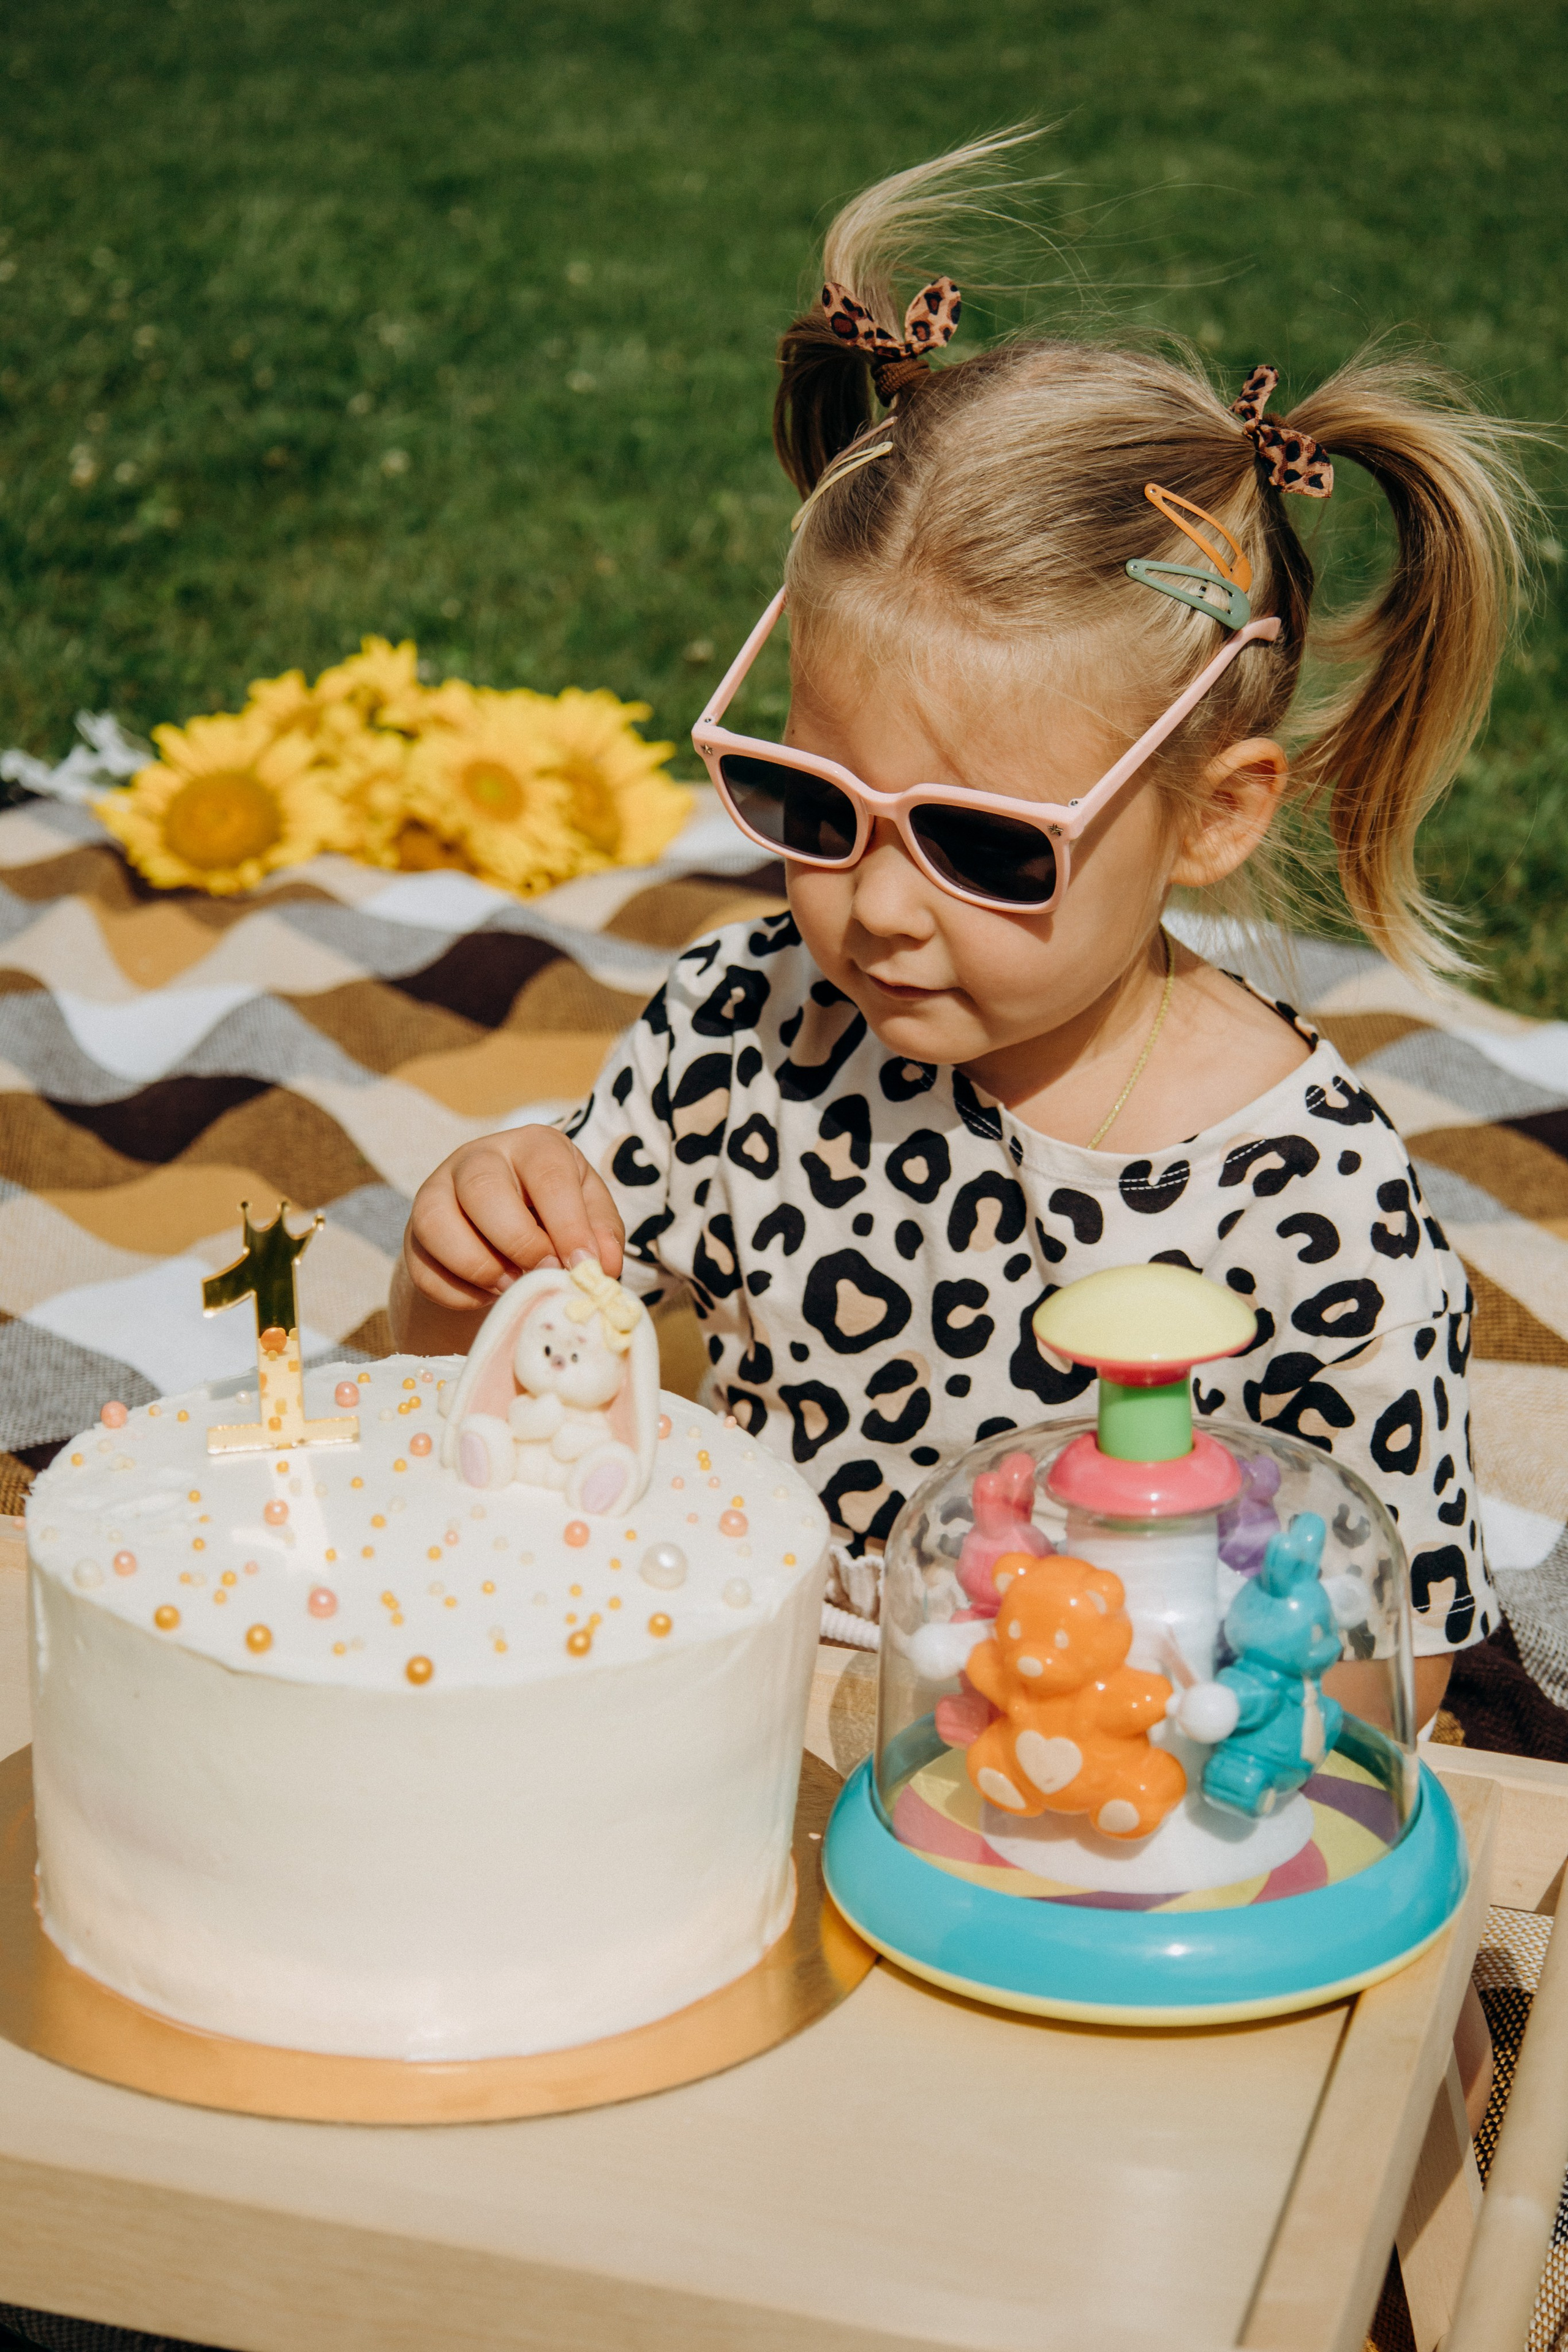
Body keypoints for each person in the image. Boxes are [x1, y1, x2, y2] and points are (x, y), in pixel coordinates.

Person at [393, 138, 1531, 2118]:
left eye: (988, 847)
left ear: (1215, 816)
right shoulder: (749, 1022)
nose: (878, 910)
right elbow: (506, 1395)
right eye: (818, 806)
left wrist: (1111, 1758)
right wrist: (464, 1263)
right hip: (753, 1766)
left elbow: (1393, 1670)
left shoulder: (1315, 1203)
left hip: (1112, 1858)